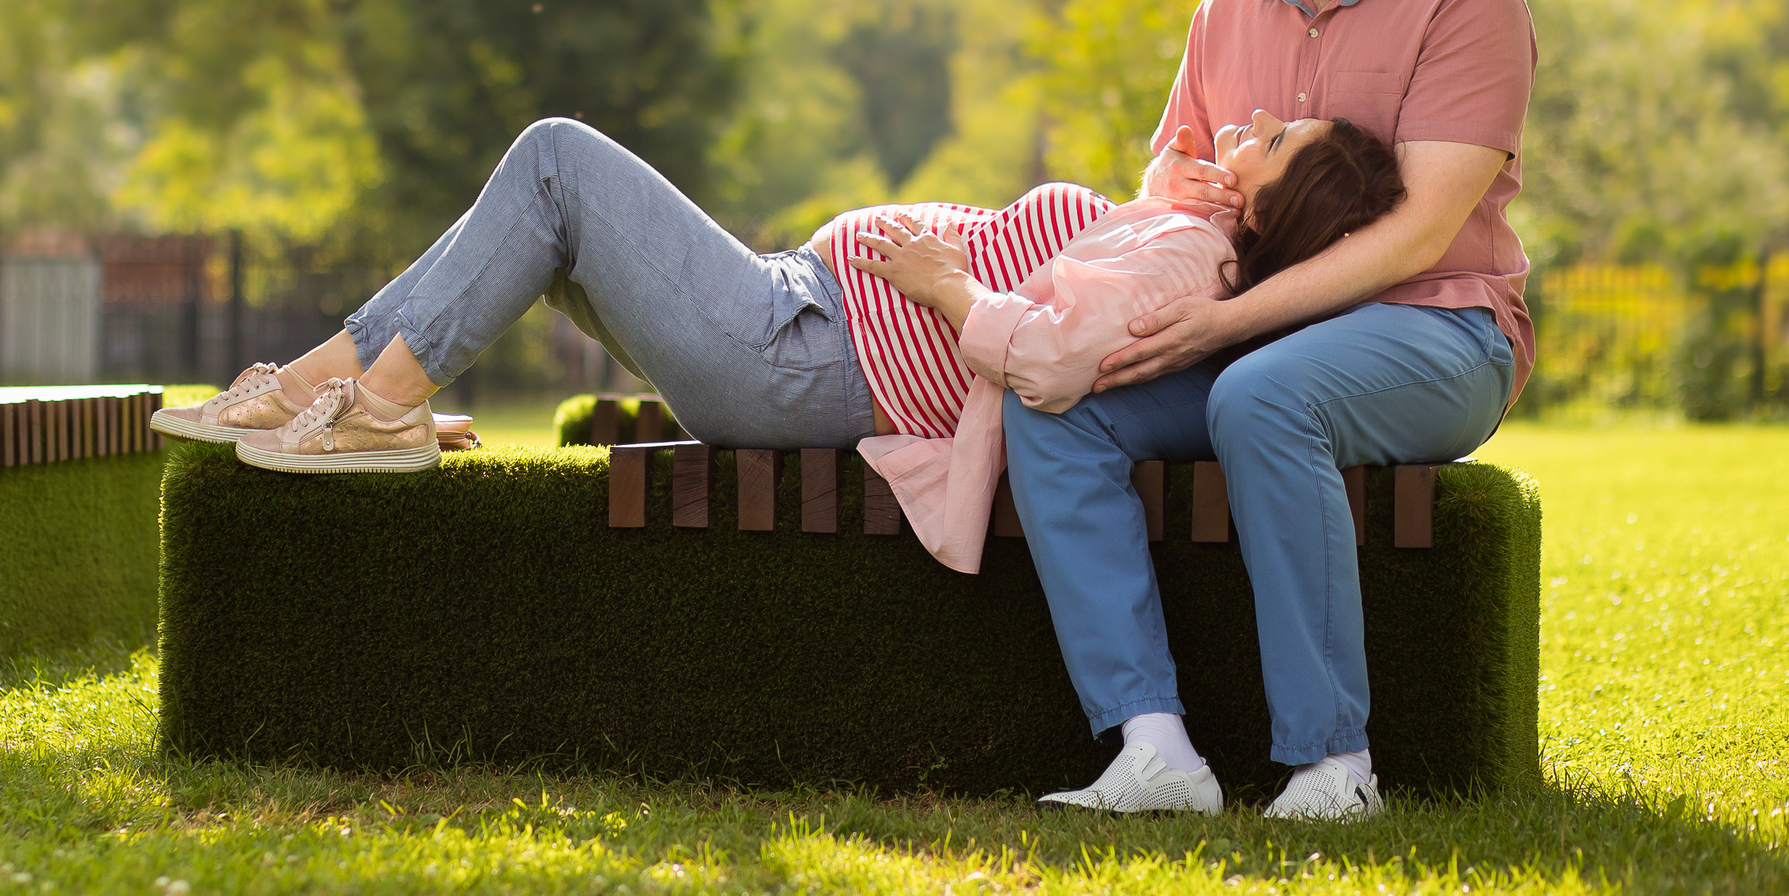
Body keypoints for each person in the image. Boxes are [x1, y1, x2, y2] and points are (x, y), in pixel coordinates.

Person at [152, 105, 1406, 568]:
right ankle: (337, 385)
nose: (1247, 129)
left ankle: (363, 409)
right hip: (795, 315)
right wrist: (1171, 187)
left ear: (1272, 203)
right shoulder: (1176, 226)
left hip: (801, 354)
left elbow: (1053, 349)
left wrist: (944, 280)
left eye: (1274, 143)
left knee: (555, 161)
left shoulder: (1194, 259)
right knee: (541, 211)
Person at [1006, 0, 1536, 824]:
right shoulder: (1225, 12)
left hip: (1437, 332)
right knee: (1061, 403)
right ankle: (1153, 747)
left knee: (1265, 395)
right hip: (1241, 336)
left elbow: (1416, 235)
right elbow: (1169, 183)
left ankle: (1332, 766)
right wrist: (1169, 187)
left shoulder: (1466, 0)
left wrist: (1224, 325)